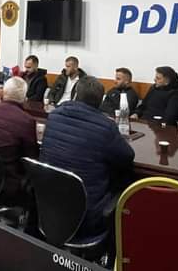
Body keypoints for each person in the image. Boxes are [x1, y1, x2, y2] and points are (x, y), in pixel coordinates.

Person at [41, 76, 135, 238]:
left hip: (48, 206)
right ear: (100, 101)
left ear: (75, 95)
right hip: (87, 215)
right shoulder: (106, 127)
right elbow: (127, 157)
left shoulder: (54, 116)